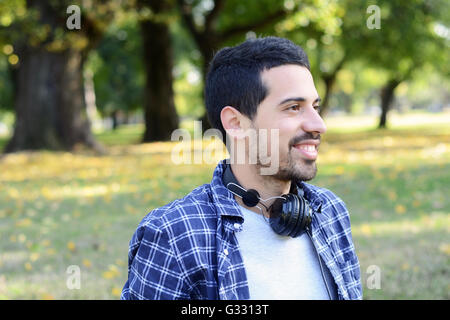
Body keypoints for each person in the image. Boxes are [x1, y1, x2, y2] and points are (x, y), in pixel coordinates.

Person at [121, 36, 362, 300]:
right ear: (235, 123)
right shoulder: (174, 236)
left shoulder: (329, 211)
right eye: (294, 108)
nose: (318, 125)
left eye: (315, 107)